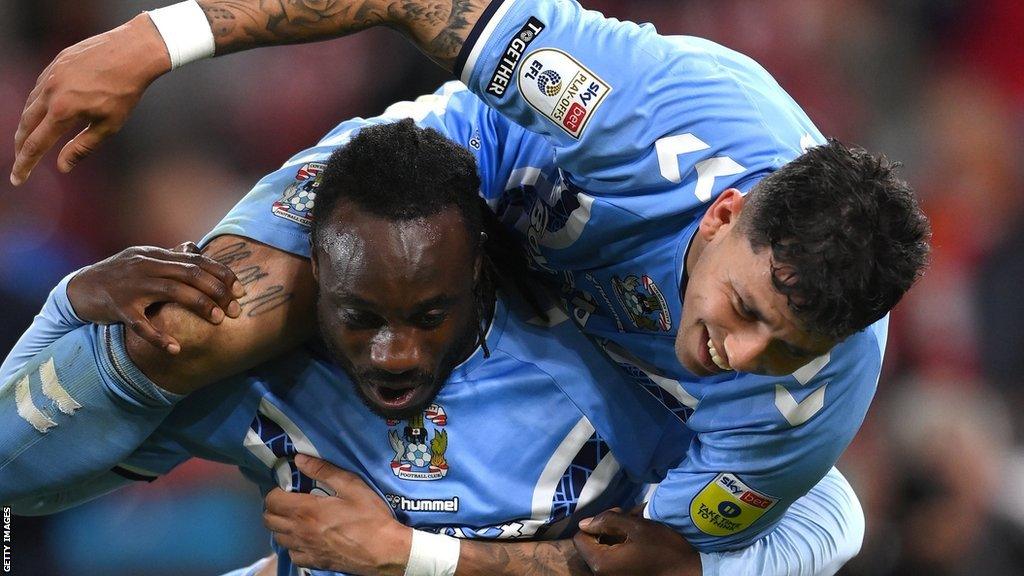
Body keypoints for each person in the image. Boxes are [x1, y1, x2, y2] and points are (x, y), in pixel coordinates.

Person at [10, 0, 930, 566]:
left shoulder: (804, 416)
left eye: (788, 350)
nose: (740, 356)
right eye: (744, 311)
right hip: (455, 185)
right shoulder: (647, 109)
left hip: (590, 372)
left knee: (563, 530)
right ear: (724, 213)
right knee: (192, 329)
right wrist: (155, 39)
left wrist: (411, 558)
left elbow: (642, 562)